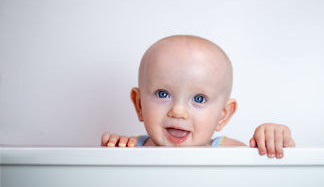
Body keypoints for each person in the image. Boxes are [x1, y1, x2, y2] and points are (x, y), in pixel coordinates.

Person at [102, 35, 295, 158]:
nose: (178, 112)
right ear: (139, 105)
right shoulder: (130, 151)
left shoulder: (231, 153)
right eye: (163, 94)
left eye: (199, 99)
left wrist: (272, 140)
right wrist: (110, 155)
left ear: (223, 115)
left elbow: (268, 179)